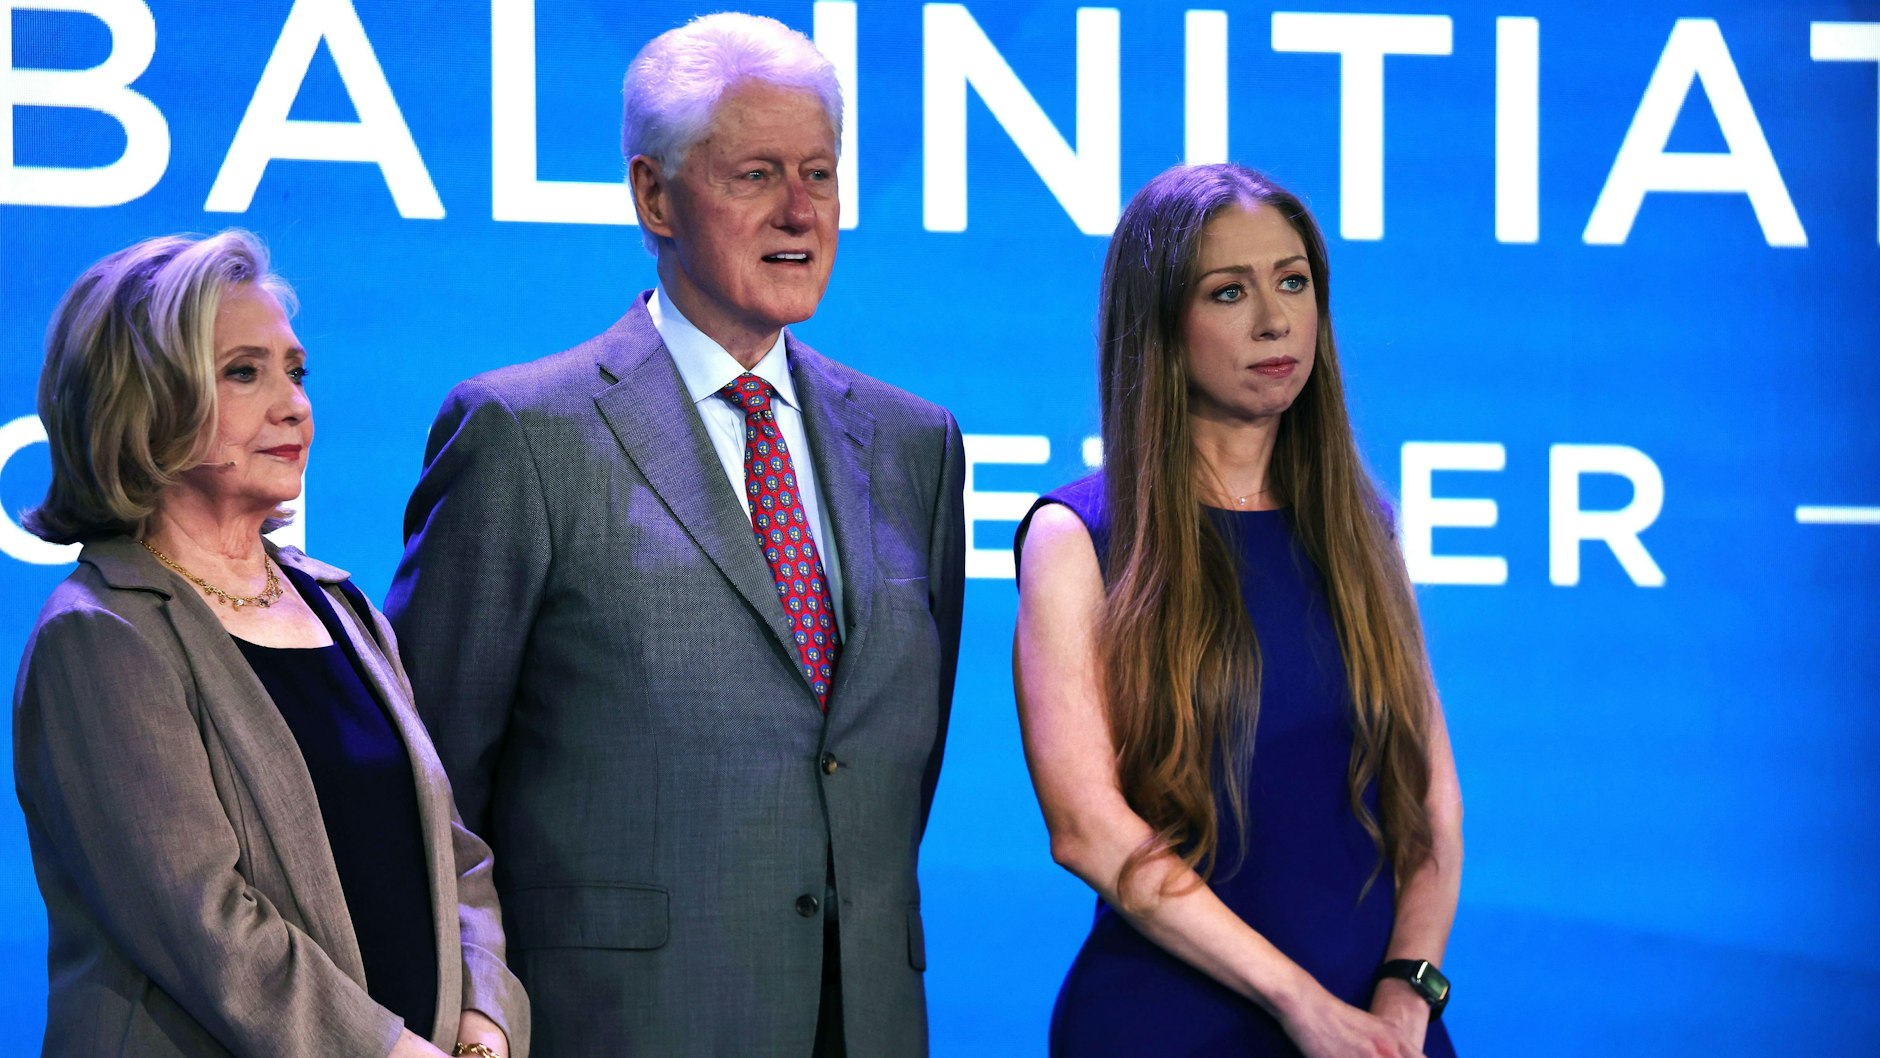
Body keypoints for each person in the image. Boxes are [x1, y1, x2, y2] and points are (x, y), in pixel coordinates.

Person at [385, 12, 965, 1058]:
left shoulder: (914, 443)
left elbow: (883, 771)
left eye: (820, 174)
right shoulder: (524, 433)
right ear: (654, 195)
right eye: (756, 176)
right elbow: (430, 788)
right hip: (616, 1023)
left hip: (866, 1022)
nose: (800, 211)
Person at [12, 231, 529, 1058]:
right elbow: (205, 925)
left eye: (296, 371)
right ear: (144, 400)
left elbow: (453, 855)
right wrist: (394, 1053)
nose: (293, 406)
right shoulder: (101, 634)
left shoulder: (341, 606)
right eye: (244, 373)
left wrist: (483, 1025)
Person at [1013, 164, 1464, 1058]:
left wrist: (1407, 995)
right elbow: (1086, 828)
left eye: (1293, 283)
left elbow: (1431, 807)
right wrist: (1302, 1005)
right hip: (1170, 1028)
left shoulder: (1363, 529)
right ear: (1160, 323)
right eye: (1229, 292)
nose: (1274, 320)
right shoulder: (1078, 536)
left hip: (1378, 1034)